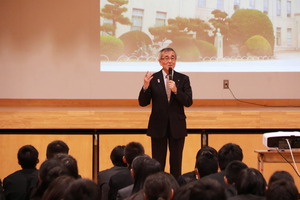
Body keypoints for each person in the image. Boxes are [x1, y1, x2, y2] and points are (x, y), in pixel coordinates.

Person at [138, 47, 193, 179]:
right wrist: (145, 86)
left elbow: (188, 101)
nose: (170, 61)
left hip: (177, 126)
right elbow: (143, 102)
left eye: (172, 58)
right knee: (157, 163)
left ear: (176, 61)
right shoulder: (153, 78)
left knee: (176, 163)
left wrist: (176, 91)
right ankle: (157, 189)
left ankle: (176, 190)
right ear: (160, 61)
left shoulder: (183, 79)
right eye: (166, 58)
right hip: (158, 126)